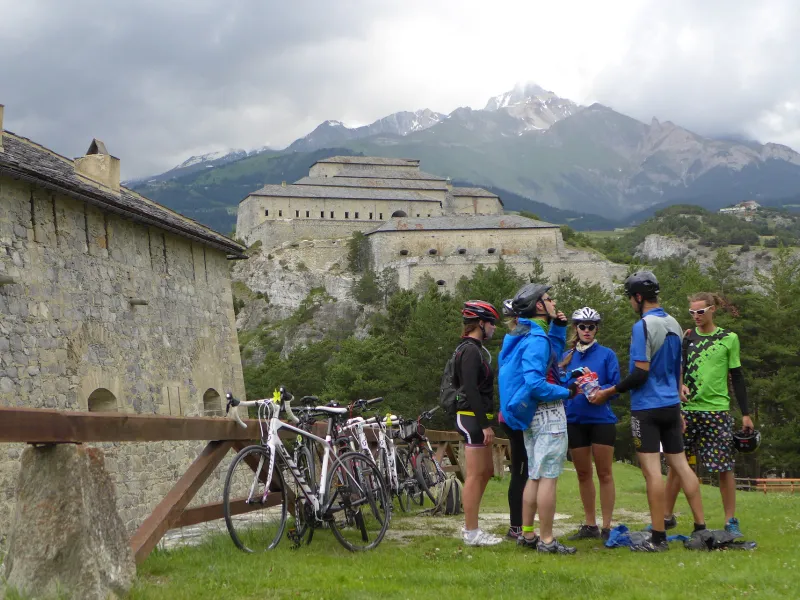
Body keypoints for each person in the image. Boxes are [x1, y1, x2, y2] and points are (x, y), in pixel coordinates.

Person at [592, 271, 707, 552]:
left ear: (638, 297)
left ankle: (657, 537)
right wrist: (678, 408)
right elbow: (679, 370)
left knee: (653, 473)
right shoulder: (675, 322)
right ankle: (701, 529)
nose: (631, 302)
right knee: (680, 465)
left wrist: (609, 392)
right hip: (671, 405)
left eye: (631, 298)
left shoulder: (642, 326)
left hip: (647, 408)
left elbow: (640, 374)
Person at [663, 292, 753, 537]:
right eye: (692, 313)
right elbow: (677, 370)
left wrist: (745, 413)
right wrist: (677, 390)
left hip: (717, 410)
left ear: (712, 309)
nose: (696, 317)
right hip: (687, 410)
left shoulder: (728, 338)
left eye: (700, 312)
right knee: (677, 466)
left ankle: (730, 520)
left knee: (724, 467)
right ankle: (666, 517)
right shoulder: (687, 338)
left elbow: (737, 376)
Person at [500, 283, 577, 555]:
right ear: (539, 306)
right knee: (548, 478)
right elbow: (535, 382)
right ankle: (547, 539)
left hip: (530, 415)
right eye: (548, 299)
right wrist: (567, 391)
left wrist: (558, 328)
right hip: (548, 413)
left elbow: (550, 360)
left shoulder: (524, 335)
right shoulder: (535, 340)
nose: (554, 301)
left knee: (534, 475)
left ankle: (529, 535)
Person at [559, 307, 621, 542]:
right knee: (583, 473)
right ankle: (589, 524)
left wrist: (598, 388)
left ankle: (607, 526)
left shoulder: (607, 355)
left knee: (605, 473)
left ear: (597, 328)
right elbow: (560, 387)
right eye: (582, 326)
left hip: (601, 420)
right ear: (575, 328)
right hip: (575, 420)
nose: (587, 331)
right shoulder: (567, 355)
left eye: (591, 326)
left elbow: (616, 387)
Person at [454, 300, 502, 546]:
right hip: (471, 419)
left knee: (486, 472)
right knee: (474, 475)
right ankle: (471, 532)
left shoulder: (473, 349)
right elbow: (470, 390)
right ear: (480, 324)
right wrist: (484, 424)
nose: (494, 327)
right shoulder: (470, 351)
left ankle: (473, 525)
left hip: (477, 418)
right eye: (491, 323)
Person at [498, 298, 528, 540]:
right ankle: (517, 527)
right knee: (521, 471)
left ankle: (519, 526)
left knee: (523, 471)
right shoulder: (521, 343)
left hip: (509, 414)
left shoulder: (509, 343)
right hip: (517, 416)